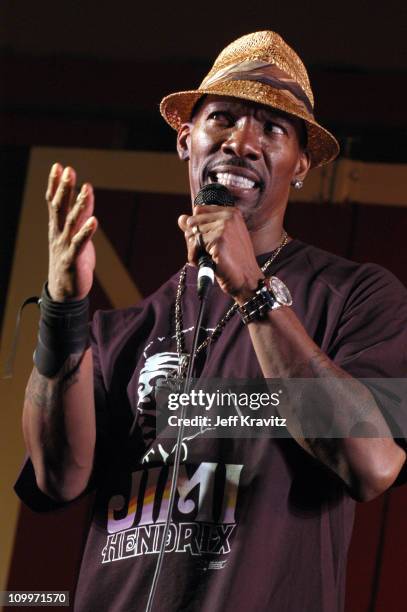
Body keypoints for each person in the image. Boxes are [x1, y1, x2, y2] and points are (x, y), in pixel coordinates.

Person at [16, 31, 407, 612]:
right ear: (185, 141)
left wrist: (252, 291)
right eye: (221, 117)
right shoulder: (118, 331)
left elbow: (372, 464)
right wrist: (64, 309)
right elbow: (58, 477)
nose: (242, 142)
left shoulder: (355, 296)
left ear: (301, 165)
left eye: (272, 129)